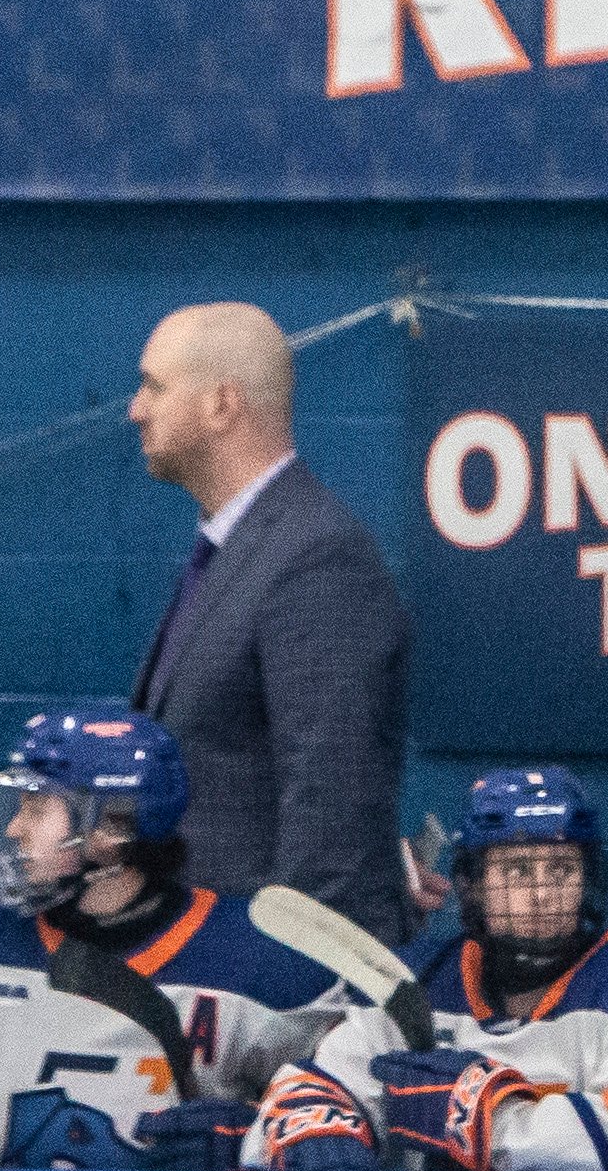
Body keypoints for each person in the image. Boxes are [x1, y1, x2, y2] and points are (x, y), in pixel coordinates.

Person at [0, 709, 349, 1171]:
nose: (13, 827)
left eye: (35, 807)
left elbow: (333, 1120)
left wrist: (247, 1142)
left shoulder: (261, 965)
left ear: (110, 831)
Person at [266, 768, 608, 1171]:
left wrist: (487, 1117)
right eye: (517, 872)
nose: (540, 896)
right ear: (471, 885)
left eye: (562, 870)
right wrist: (317, 1145)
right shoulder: (409, 984)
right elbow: (322, 1085)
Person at [125, 301, 411, 945]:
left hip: (263, 986)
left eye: (155, 386)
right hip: (205, 962)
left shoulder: (318, 559)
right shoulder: (243, 549)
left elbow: (333, 800)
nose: (135, 410)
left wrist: (298, 983)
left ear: (222, 406)